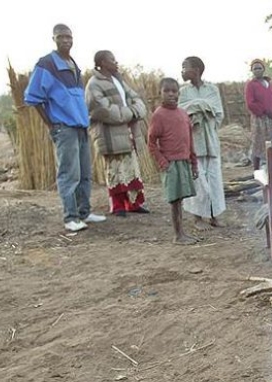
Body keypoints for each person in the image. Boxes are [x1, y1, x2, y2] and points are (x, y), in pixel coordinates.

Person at [24, 24, 106, 232]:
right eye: (61, 37)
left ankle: (84, 212)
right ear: (54, 39)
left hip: (80, 126)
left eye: (69, 37)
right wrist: (51, 124)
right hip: (64, 127)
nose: (66, 40)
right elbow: (33, 98)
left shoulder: (73, 65)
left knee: (84, 172)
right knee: (69, 174)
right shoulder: (47, 64)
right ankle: (70, 217)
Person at [85, 50, 149, 216]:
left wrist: (135, 110)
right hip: (109, 135)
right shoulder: (94, 84)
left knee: (130, 167)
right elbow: (102, 109)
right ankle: (118, 205)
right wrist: (131, 112)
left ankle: (133, 203)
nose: (116, 62)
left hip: (127, 133)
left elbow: (137, 99)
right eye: (112, 60)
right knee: (115, 169)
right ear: (102, 63)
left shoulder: (118, 80)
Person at [148, 78, 199, 245]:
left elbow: (190, 140)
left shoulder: (183, 114)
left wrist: (193, 163)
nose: (171, 94)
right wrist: (163, 163)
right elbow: (151, 143)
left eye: (174, 91)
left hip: (184, 161)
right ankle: (178, 235)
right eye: (167, 91)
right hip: (171, 163)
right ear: (160, 93)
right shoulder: (158, 115)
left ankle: (182, 232)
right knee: (174, 200)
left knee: (181, 198)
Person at [179, 56, 226, 230]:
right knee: (198, 180)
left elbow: (218, 113)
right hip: (193, 141)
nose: (182, 71)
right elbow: (182, 111)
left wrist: (199, 108)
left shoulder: (212, 89)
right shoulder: (183, 92)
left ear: (196, 70)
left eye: (185, 67)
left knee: (214, 180)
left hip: (210, 141)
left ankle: (214, 216)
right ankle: (197, 217)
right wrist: (201, 106)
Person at [245, 59, 272, 170]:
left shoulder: (269, 84)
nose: (257, 70)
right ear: (252, 70)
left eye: (259, 68)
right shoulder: (251, 85)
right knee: (258, 142)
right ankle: (256, 168)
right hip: (260, 118)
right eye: (255, 68)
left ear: (263, 69)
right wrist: (263, 111)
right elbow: (250, 103)